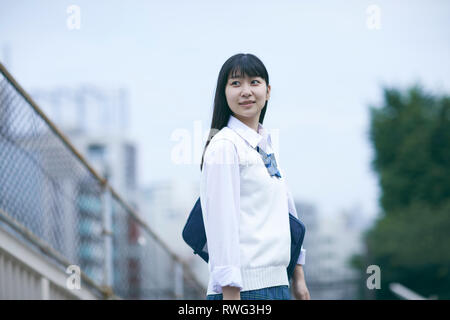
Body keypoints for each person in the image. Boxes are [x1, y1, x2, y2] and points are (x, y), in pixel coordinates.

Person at [199, 53, 310, 300]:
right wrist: (230, 294)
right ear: (223, 92)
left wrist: (298, 277)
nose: (246, 91)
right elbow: (221, 222)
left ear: (268, 91)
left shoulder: (264, 146)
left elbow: (287, 213)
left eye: (254, 82)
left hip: (277, 285)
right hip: (244, 291)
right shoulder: (225, 146)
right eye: (236, 83)